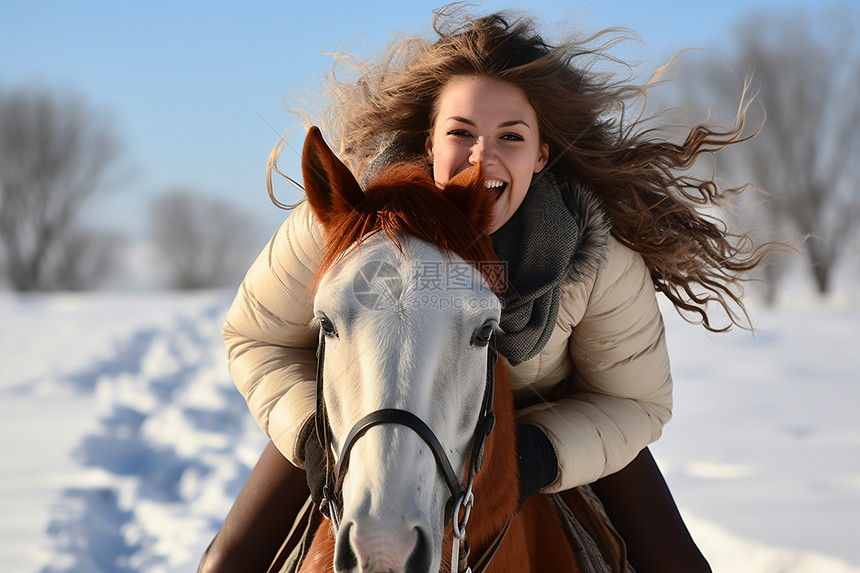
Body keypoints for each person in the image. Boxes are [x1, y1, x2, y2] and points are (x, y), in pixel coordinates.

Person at [201, 6, 770, 572]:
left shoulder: (597, 259)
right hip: (365, 421)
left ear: (541, 154)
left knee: (680, 567)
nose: (483, 156)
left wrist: (540, 455)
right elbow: (255, 337)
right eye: (461, 132)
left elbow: (635, 399)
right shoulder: (344, 223)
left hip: (542, 427)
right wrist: (311, 435)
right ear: (430, 141)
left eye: (511, 137)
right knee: (225, 564)